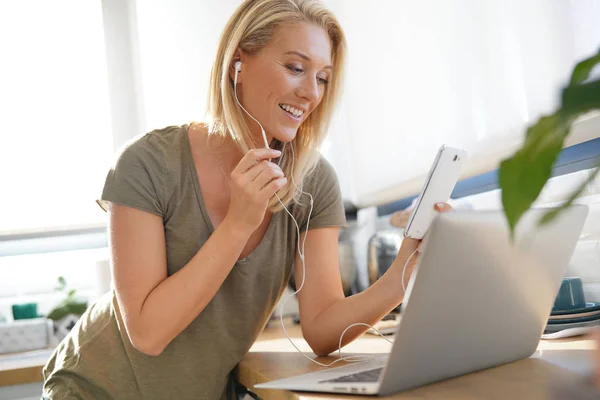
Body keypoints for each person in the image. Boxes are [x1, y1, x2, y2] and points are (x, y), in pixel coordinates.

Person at [42, 0, 451, 398]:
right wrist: (239, 223)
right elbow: (147, 333)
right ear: (238, 63)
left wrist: (405, 272)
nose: (311, 92)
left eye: (323, 78)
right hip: (95, 389)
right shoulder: (147, 163)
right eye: (295, 68)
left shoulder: (315, 181)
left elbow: (324, 328)